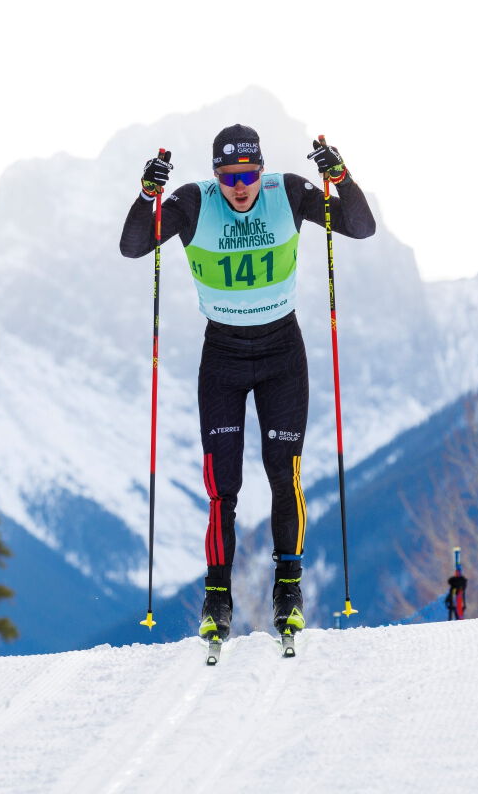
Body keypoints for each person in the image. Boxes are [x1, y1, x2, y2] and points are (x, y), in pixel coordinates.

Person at [119, 125, 376, 642]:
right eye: (230, 175)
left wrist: (340, 176)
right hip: (223, 358)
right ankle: (218, 599)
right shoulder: (195, 203)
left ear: (262, 170)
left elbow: (360, 226)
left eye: (250, 173)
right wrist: (148, 195)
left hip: (283, 353)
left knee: (286, 474)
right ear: (217, 175)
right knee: (223, 488)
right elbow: (133, 247)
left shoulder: (289, 192)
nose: (241, 186)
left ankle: (289, 588)